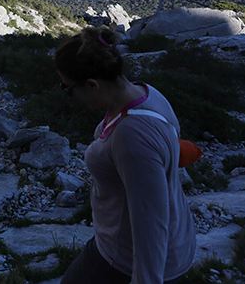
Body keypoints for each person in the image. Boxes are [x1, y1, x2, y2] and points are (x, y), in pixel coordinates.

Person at [56, 27, 195, 284]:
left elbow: (150, 222)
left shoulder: (131, 136)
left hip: (125, 259)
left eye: (67, 89)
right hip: (124, 242)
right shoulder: (146, 93)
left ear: (92, 85)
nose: (69, 96)